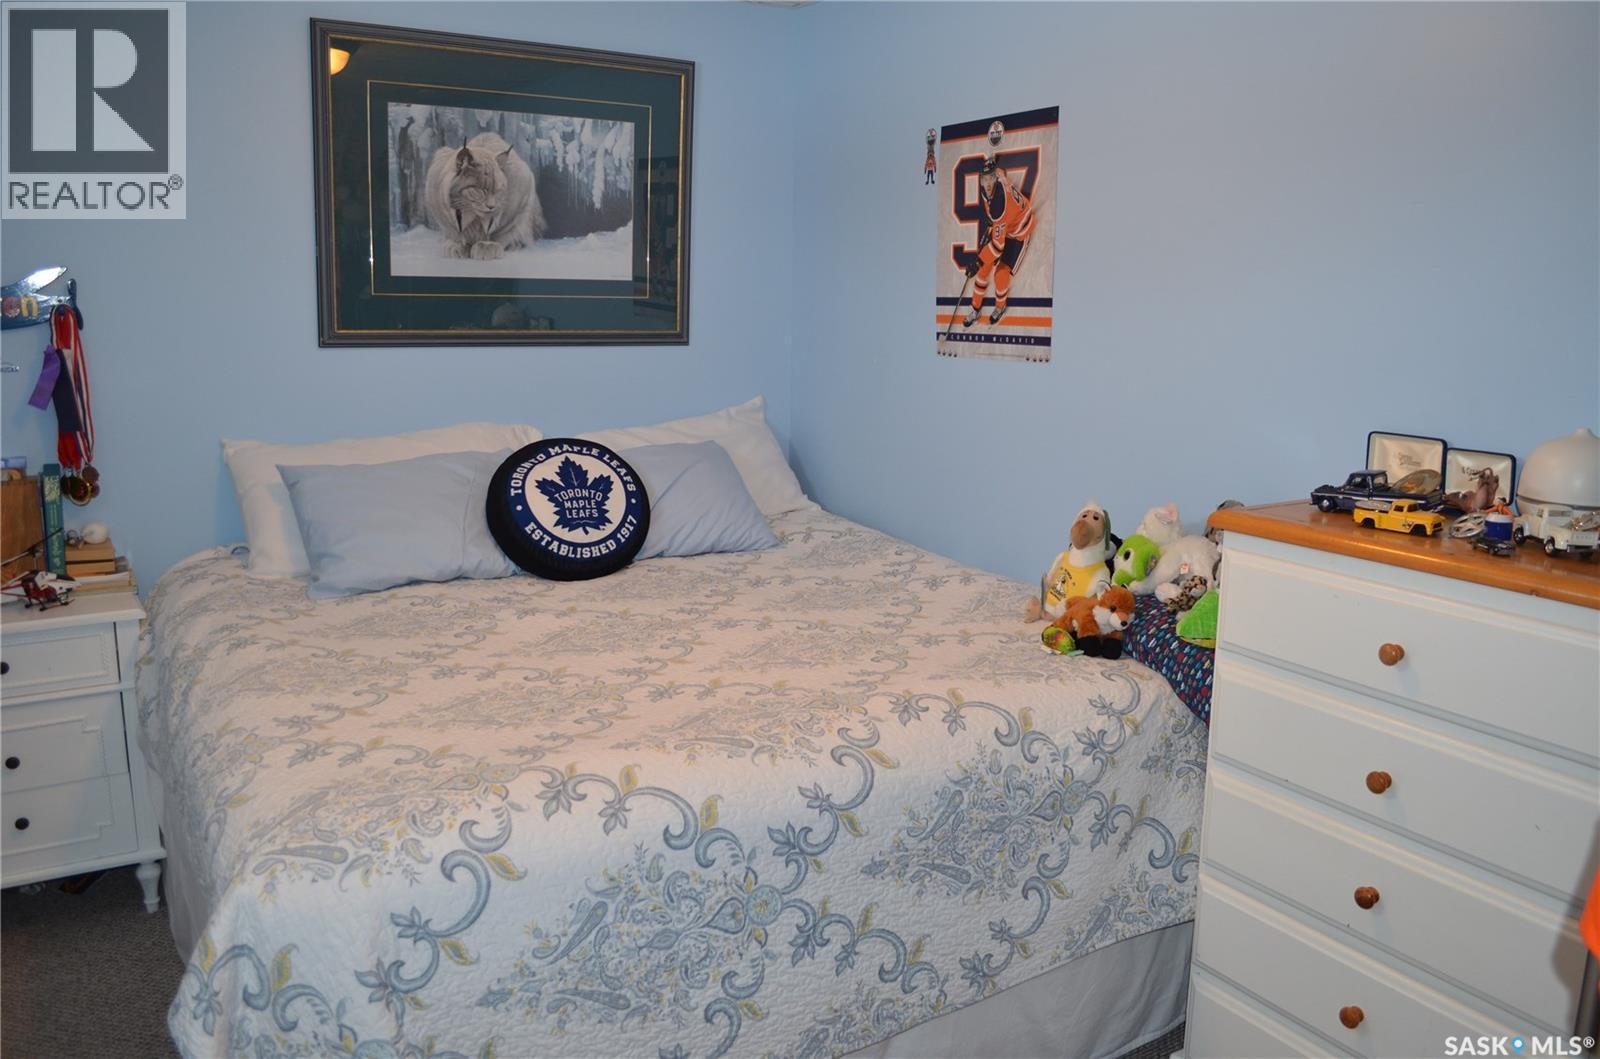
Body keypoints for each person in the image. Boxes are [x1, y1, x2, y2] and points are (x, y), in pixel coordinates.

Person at [962, 157, 1036, 327]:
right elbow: (998, 172)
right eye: (984, 179)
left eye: (990, 179)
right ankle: (975, 308)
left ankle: (1000, 307)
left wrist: (977, 261)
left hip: (1019, 231)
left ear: (995, 179)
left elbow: (997, 247)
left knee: (1000, 274)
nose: (987, 184)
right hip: (1005, 224)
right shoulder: (997, 178)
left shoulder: (999, 205)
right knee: (983, 271)